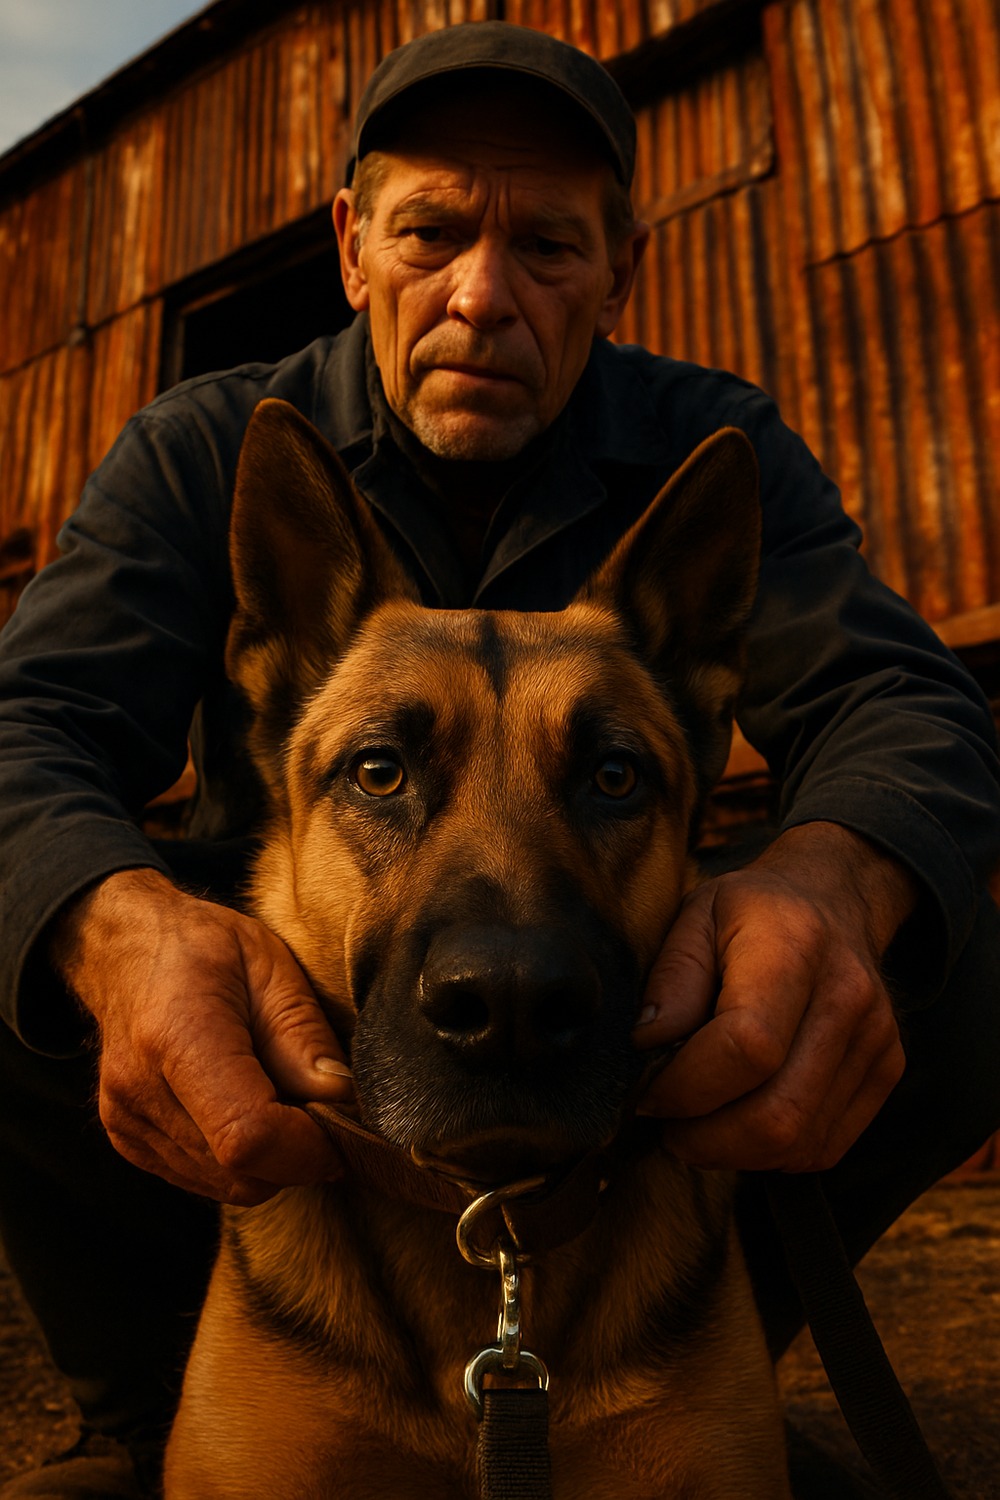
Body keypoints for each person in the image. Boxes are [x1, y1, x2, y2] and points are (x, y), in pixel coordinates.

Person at [1, 21, 998, 1499]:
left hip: (637, 1106)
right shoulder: (205, 446)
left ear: (619, 270)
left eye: (545, 245)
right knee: (22, 926)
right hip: (281, 1079)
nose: (484, 293)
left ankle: (670, 1369)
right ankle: (147, 1405)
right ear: (350, 246)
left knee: (958, 952)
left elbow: (907, 709)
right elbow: (25, 728)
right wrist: (116, 926)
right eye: (433, 232)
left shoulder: (700, 445)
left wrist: (832, 888)